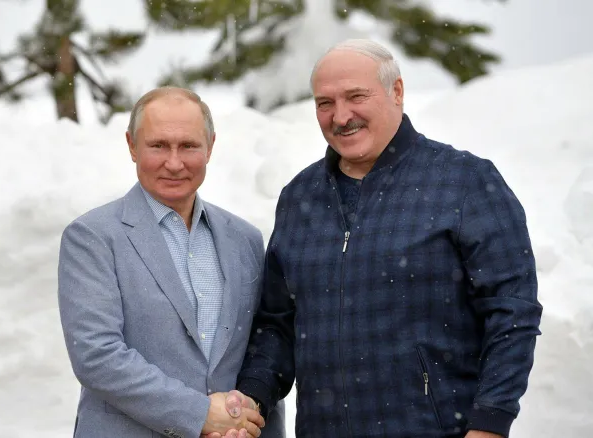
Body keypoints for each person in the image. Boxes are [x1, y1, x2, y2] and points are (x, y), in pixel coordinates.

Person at [210, 39, 543, 438]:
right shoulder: (299, 198)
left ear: (396, 91)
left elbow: (513, 312)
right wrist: (252, 398)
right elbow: (278, 326)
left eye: (356, 96)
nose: (341, 116)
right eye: (325, 103)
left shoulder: (464, 182)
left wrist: (490, 422)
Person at [57, 86, 285, 438]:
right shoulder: (93, 236)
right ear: (132, 146)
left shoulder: (245, 239)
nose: (175, 163)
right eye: (159, 145)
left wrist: (249, 412)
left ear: (210, 147)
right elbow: (97, 356)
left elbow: (260, 346)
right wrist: (199, 415)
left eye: (189, 146)